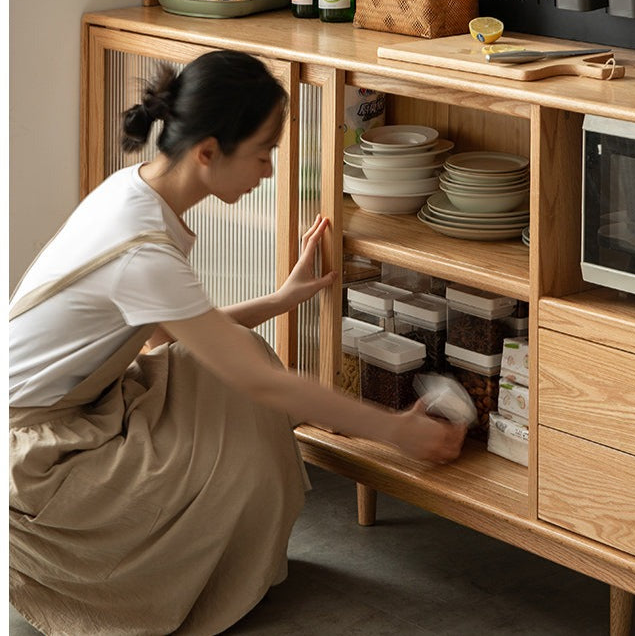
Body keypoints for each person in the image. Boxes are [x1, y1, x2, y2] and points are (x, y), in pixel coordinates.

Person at [9, 49, 466, 636]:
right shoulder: (143, 249)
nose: (270, 172)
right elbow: (257, 381)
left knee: (238, 367)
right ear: (207, 153)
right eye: (262, 153)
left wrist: (281, 300)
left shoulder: (134, 192)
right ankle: (154, 589)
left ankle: (221, 561)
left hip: (81, 405)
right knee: (249, 389)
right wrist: (396, 429)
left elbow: (167, 331)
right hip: (35, 450)